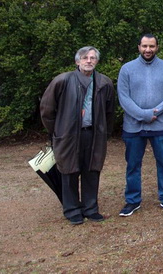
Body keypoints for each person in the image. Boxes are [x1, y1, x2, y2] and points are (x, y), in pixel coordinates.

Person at [40, 46, 115, 225]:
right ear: (77, 61)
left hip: (93, 134)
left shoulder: (104, 82)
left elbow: (110, 111)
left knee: (92, 171)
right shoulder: (62, 81)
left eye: (92, 58)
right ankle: (72, 210)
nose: (89, 61)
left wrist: (105, 132)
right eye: (84, 57)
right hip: (68, 136)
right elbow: (47, 110)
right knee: (69, 171)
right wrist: (57, 131)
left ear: (97, 61)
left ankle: (91, 209)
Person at [118, 34, 163, 216]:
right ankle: (132, 200)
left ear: (157, 47)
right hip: (133, 126)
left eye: (151, 46)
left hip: (160, 125)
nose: (148, 49)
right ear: (139, 47)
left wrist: (155, 112)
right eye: (144, 46)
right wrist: (143, 115)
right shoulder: (127, 69)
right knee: (133, 165)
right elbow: (123, 97)